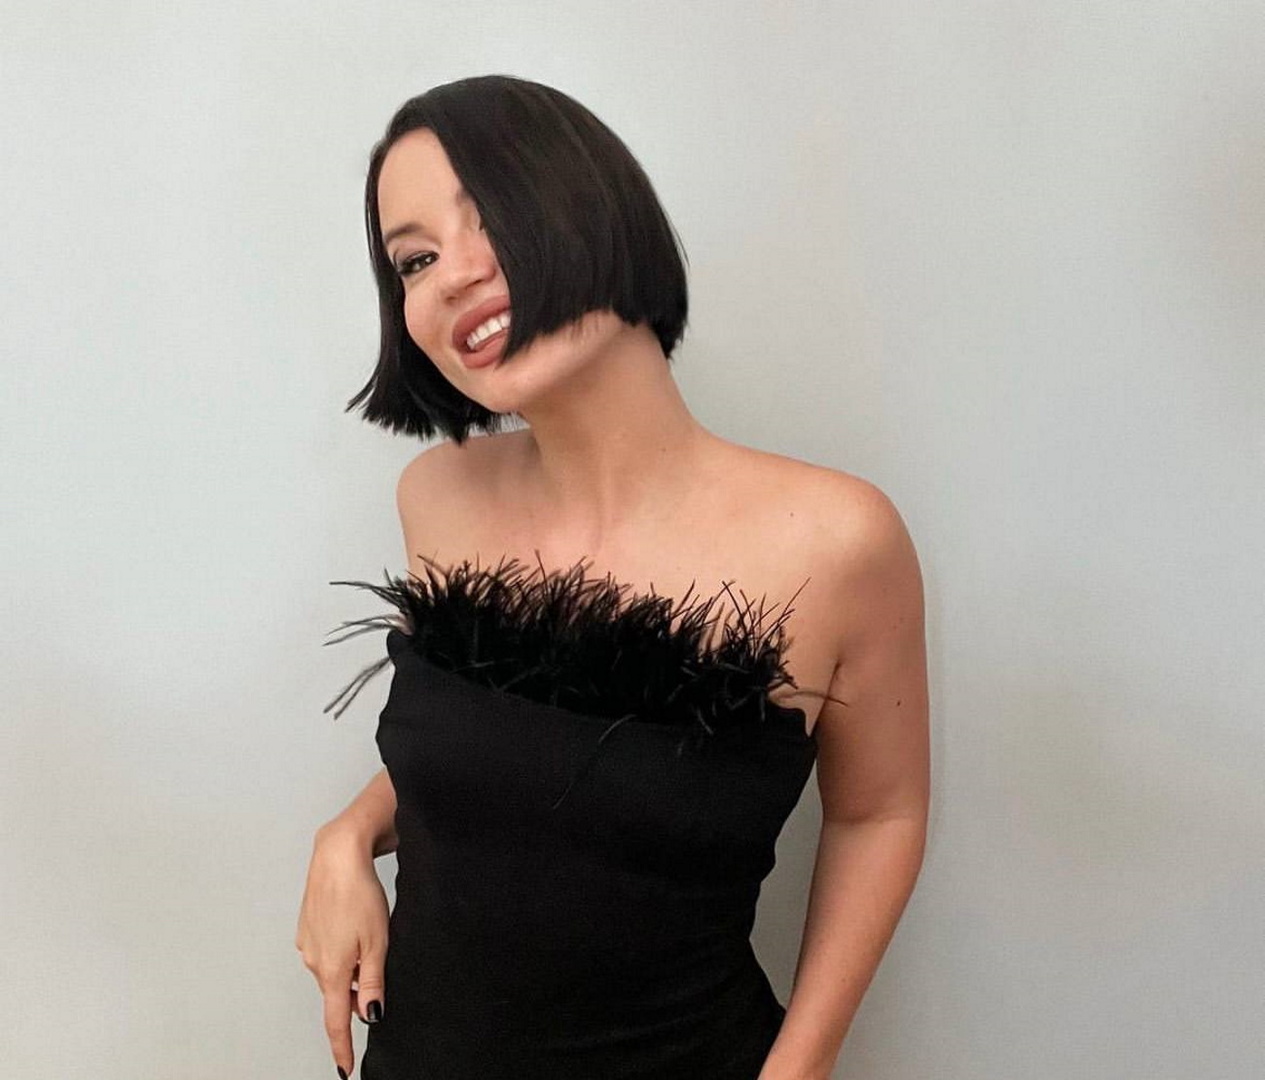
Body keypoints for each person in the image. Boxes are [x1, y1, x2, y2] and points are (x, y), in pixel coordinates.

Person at [296, 74, 929, 1080]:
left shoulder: (836, 540)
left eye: (488, 216)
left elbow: (876, 814)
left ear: (595, 205)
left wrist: (799, 1070)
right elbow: (512, 761)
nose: (451, 274)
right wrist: (350, 830)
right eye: (414, 259)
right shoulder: (438, 497)